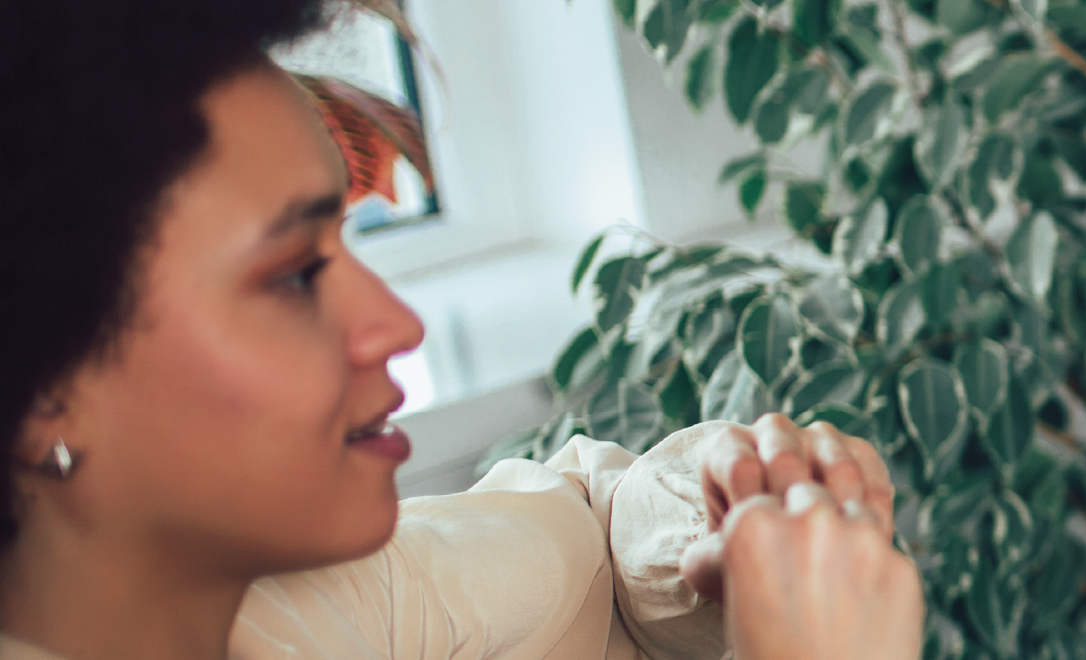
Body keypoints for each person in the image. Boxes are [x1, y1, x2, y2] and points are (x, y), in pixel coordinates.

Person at [0, 1, 921, 658]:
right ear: (45, 392)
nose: (395, 323)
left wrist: (704, 519)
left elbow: (580, 540)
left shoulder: (287, 608)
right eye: (292, 276)